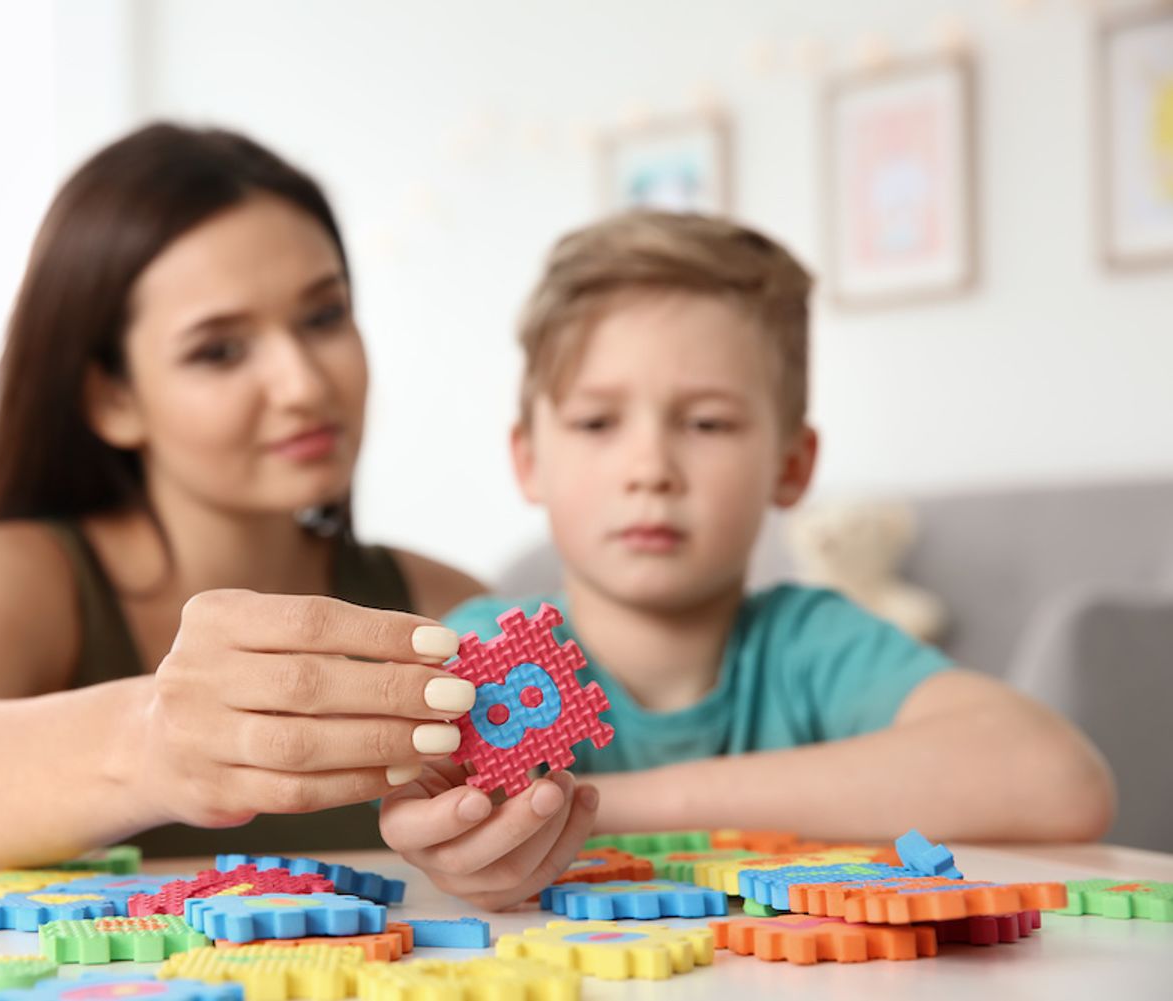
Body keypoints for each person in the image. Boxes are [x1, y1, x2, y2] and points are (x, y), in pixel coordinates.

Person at [0, 122, 493, 878]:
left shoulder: (447, 604)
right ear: (113, 397)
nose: (304, 384)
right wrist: (151, 744)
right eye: (219, 350)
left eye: (323, 316)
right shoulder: (19, 581)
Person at [380, 211, 1116, 910]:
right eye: (598, 421)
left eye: (707, 422)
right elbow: (419, 813)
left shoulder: (811, 644)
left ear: (792, 463)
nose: (651, 468)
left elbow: (1060, 779)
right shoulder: (480, 654)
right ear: (529, 458)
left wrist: (612, 810)